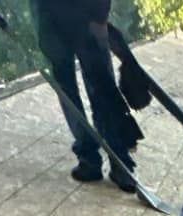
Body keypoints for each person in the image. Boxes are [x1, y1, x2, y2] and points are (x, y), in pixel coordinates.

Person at [33, 0, 139, 190]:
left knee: (102, 88)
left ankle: (119, 161)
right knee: (68, 89)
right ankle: (89, 158)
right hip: (49, 14)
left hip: (87, 14)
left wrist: (100, 16)